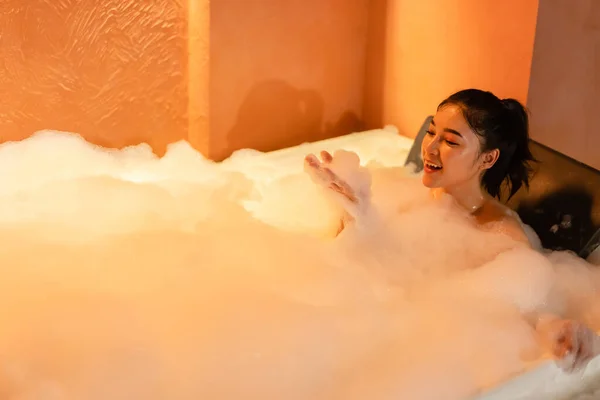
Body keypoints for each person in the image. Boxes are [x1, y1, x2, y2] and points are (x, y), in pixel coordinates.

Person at [304, 88, 600, 373]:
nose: (429, 148)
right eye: (431, 131)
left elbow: (529, 307)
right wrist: (351, 214)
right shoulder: (400, 193)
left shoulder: (501, 237)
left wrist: (557, 330)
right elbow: (351, 263)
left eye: (451, 142)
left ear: (488, 158)